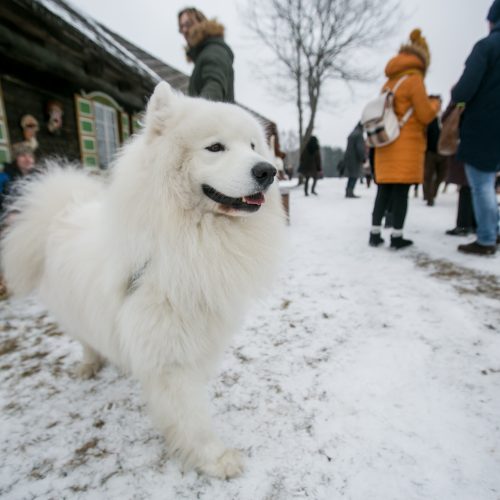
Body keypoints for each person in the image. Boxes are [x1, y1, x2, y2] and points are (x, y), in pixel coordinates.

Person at [369, 29, 440, 249]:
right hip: (405, 146)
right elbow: (425, 114)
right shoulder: (414, 80)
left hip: (384, 143)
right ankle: (397, 237)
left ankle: (375, 234)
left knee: (383, 191)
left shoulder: (389, 82)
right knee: (401, 193)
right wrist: (436, 104)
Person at [452, 0, 500, 256]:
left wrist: (456, 97)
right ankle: (494, 228)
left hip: (484, 126)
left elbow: (464, 90)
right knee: (490, 183)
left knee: (482, 184)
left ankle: (486, 238)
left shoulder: (487, 47)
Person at [178, 7, 234, 102]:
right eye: (181, 27)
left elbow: (213, 88)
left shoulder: (214, 50)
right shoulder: (203, 54)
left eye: (188, 24)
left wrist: (196, 115)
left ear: (202, 23)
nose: (184, 30)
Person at [0, 142, 36, 218]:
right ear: (15, 159)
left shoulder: (37, 178)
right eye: (23, 156)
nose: (28, 159)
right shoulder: (4, 178)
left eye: (30, 156)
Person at [423, 111, 448, 206]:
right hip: (430, 152)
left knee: (442, 176)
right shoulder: (430, 119)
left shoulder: (446, 119)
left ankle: (432, 193)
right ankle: (429, 197)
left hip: (444, 153)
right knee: (428, 176)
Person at [343, 122, 366, 198]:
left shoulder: (352, 133)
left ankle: (348, 191)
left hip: (349, 157)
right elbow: (360, 148)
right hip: (355, 158)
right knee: (354, 175)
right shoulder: (359, 135)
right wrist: (363, 157)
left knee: (351, 175)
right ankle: (350, 192)